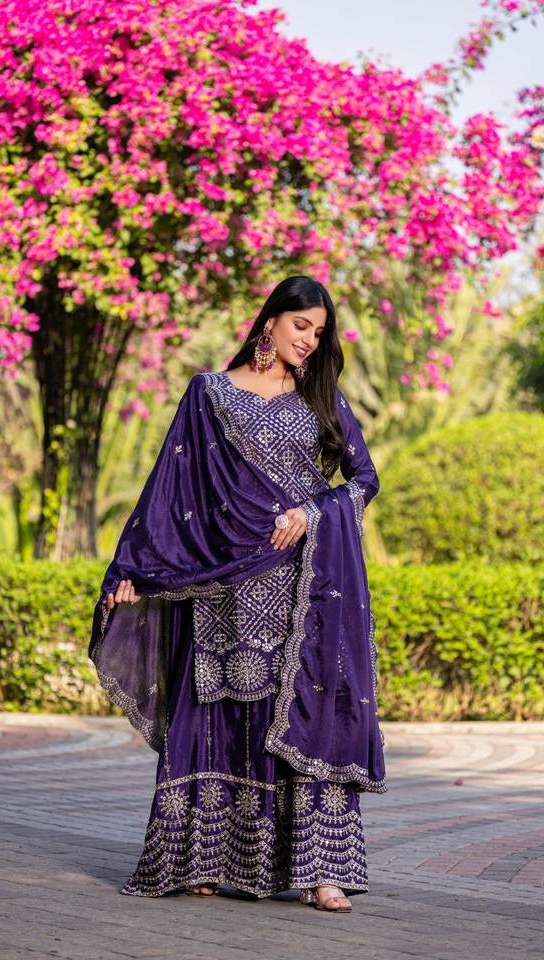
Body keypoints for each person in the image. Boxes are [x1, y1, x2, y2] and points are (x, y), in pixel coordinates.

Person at [89, 274, 387, 913]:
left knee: (301, 713)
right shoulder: (209, 394)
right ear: (270, 319)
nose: (309, 341)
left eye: (319, 333)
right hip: (219, 581)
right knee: (217, 710)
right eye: (301, 325)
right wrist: (132, 570)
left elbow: (364, 480)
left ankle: (321, 870)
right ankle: (202, 857)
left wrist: (313, 511)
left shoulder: (321, 400)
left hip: (302, 585)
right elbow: (169, 491)